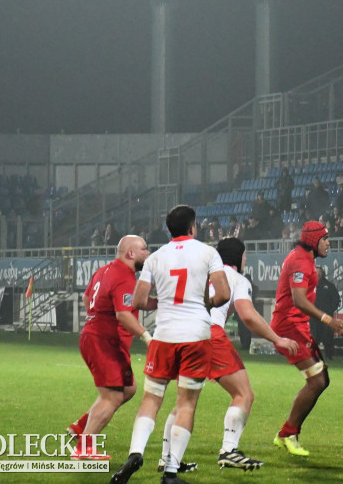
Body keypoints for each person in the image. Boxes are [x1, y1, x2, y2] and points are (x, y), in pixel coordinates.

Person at [155, 237, 299, 473]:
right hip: (210, 333)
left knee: (184, 401)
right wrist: (277, 339)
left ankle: (167, 458)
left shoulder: (199, 272)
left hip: (181, 334)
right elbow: (248, 315)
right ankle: (229, 450)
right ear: (238, 256)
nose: (245, 260)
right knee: (244, 394)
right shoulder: (235, 278)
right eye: (244, 256)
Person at [110, 205, 230, 484]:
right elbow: (223, 294)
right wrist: (207, 302)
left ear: (169, 230)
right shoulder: (208, 252)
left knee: (151, 399)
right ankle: (171, 471)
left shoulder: (155, 258)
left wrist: (163, 302)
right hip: (195, 336)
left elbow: (139, 302)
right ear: (193, 227)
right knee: (186, 403)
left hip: (163, 336)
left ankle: (135, 452)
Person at [68, 235, 152, 459]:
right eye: (144, 249)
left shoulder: (105, 270)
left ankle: (82, 426)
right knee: (112, 397)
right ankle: (84, 448)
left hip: (95, 337)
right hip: (103, 341)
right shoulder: (124, 276)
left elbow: (88, 299)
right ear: (131, 254)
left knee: (128, 389)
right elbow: (124, 314)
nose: (148, 253)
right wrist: (147, 337)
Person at [269, 220, 343, 457]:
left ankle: (289, 432)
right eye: (324, 239)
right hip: (289, 326)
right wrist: (328, 319)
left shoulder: (303, 257)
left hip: (297, 326)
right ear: (313, 240)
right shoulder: (300, 259)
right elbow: (298, 300)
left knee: (322, 378)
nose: (328, 243)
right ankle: (287, 434)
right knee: (317, 381)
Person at [310, 266, 341, 360]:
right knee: (314, 337)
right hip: (313, 317)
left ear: (323, 273)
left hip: (326, 316)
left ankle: (329, 355)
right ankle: (313, 355)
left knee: (327, 336)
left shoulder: (329, 286)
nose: (318, 274)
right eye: (316, 272)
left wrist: (330, 310)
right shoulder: (309, 285)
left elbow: (336, 300)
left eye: (319, 272)